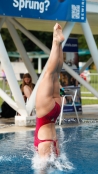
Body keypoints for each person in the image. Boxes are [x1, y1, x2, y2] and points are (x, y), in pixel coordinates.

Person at [34, 23, 65, 159]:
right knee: (49, 74)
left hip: (52, 137)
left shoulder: (51, 146)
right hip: (46, 118)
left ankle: (57, 42)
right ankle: (56, 41)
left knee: (55, 73)